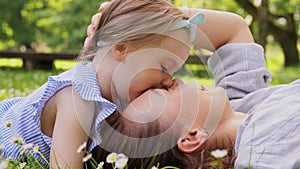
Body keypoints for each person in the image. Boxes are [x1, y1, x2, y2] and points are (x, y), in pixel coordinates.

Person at [0, 0, 207, 168]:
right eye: (164, 66)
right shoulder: (77, 99)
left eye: (174, 71)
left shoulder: (117, 95)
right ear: (121, 49)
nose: (169, 80)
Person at [90, 5, 300, 169]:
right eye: (164, 91)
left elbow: (233, 31)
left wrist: (158, 21)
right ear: (192, 136)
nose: (173, 80)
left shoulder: (241, 104)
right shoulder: (263, 153)